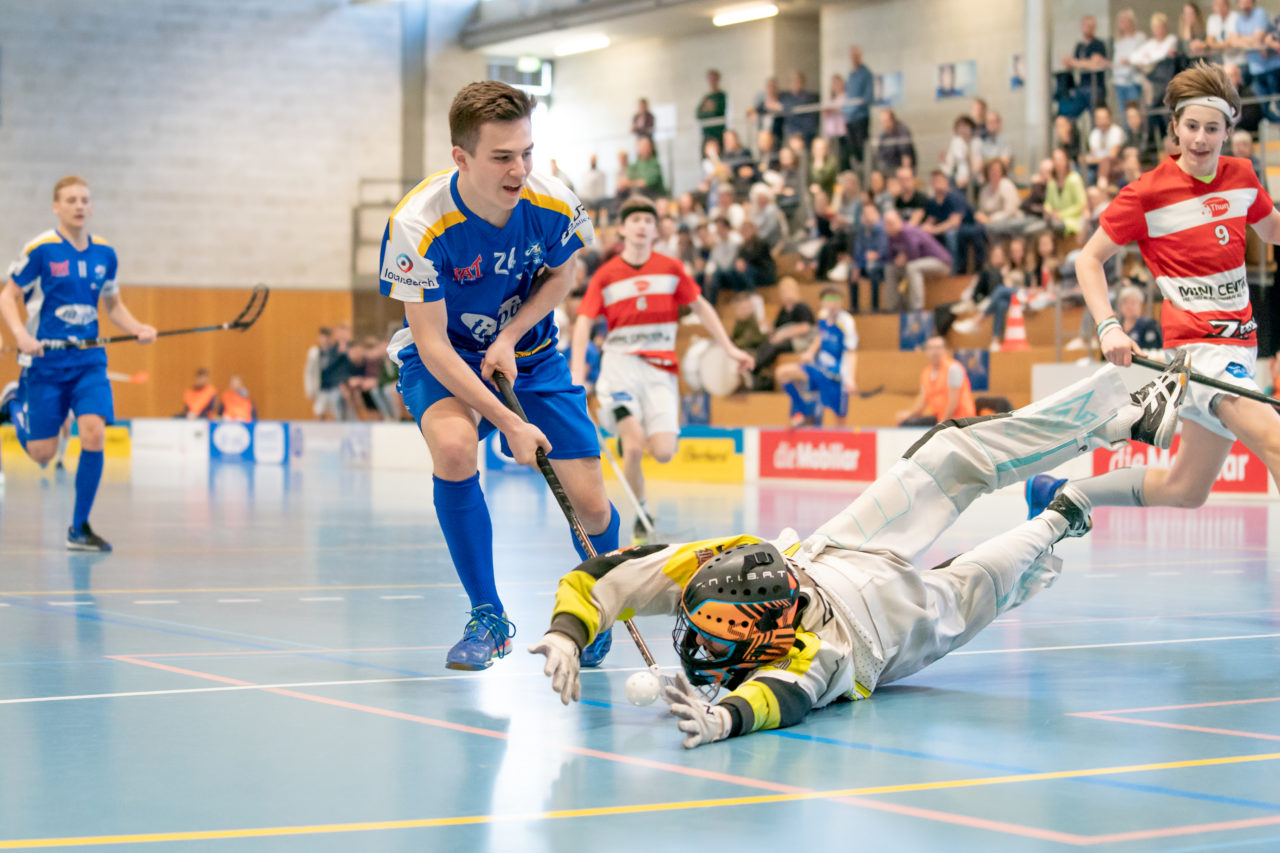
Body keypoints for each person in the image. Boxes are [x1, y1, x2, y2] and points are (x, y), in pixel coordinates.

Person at [529, 359, 1194, 746]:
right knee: (991, 574)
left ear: (763, 632)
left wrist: (722, 717)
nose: (695, 638)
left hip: (840, 567)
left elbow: (775, 695)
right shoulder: (754, 593)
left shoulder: (781, 613)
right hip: (887, 629)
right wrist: (566, 632)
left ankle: (1116, 416)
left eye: (711, 632)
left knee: (949, 451)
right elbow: (612, 577)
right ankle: (1064, 512)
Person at [378, 81, 620, 671]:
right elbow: (431, 343)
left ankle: (597, 607)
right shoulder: (417, 224)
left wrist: (510, 336)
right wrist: (509, 422)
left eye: (527, 152)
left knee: (591, 507)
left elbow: (561, 277)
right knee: (455, 447)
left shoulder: (552, 203)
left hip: (531, 356)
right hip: (447, 358)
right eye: (502, 157)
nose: (520, 170)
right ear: (460, 157)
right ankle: (488, 616)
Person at [1027, 61, 1280, 521]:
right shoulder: (1148, 194)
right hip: (1200, 354)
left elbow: (1273, 230)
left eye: (1212, 128)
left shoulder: (1242, 177)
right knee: (1276, 442)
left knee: (1186, 489)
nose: (1200, 138)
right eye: (1191, 126)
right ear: (1175, 127)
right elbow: (1088, 259)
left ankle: (1060, 492)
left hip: (1242, 349)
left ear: (1228, 131)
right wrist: (1108, 327)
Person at [570, 196, 751, 542]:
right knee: (634, 446)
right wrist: (578, 371)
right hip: (620, 368)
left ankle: (634, 439)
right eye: (635, 220)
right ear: (623, 229)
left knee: (665, 452)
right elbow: (583, 322)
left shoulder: (670, 269)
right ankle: (641, 512)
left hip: (660, 371)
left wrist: (729, 349)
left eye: (648, 221)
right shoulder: (606, 275)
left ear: (656, 230)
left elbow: (702, 307)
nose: (642, 226)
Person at [0, 175, 157, 552]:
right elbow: (8, 296)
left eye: (85, 199)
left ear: (92, 206)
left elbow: (113, 306)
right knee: (43, 455)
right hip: (45, 364)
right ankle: (12, 402)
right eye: (70, 200)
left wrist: (138, 328)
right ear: (56, 207)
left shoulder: (105, 254)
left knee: (93, 433)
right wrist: (21, 336)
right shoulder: (41, 249)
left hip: (89, 362)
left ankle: (79, 528)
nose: (79, 206)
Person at [775, 287, 857, 427]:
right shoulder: (822, 316)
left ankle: (812, 417)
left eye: (836, 301)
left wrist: (851, 378)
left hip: (837, 377)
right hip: (819, 369)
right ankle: (804, 412)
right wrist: (810, 352)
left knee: (840, 422)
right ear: (822, 302)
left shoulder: (846, 322)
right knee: (782, 373)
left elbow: (851, 351)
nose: (832, 305)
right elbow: (821, 336)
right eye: (828, 300)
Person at [895, 335, 977, 426]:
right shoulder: (926, 373)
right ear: (926, 352)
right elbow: (923, 400)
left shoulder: (953, 368)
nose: (935, 352)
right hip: (939, 417)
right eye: (931, 348)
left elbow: (953, 402)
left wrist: (942, 424)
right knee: (906, 423)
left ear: (945, 350)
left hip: (959, 420)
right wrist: (908, 414)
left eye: (938, 348)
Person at [883, 209, 952, 312]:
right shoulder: (892, 236)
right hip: (918, 263)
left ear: (898, 221)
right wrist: (898, 260)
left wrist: (905, 257)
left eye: (891, 223)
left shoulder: (908, 231)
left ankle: (916, 308)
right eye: (886, 224)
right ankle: (893, 307)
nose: (888, 226)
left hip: (941, 262)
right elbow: (891, 257)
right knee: (890, 269)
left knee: (912, 267)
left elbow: (914, 254)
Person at [1064, 14, 1110, 108]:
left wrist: (1076, 62)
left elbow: (1095, 64)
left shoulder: (1098, 44)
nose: (1087, 28)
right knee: (1070, 110)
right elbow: (1072, 64)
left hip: (1095, 86)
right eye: (1084, 25)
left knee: (1095, 112)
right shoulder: (1080, 46)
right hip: (1081, 86)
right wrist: (1071, 62)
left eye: (1089, 26)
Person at [696, 69, 727, 151]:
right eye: (709, 79)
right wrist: (710, 109)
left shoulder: (721, 96)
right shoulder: (706, 97)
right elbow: (698, 114)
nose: (711, 81)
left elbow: (717, 112)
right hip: (707, 133)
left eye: (713, 78)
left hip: (718, 133)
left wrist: (706, 109)